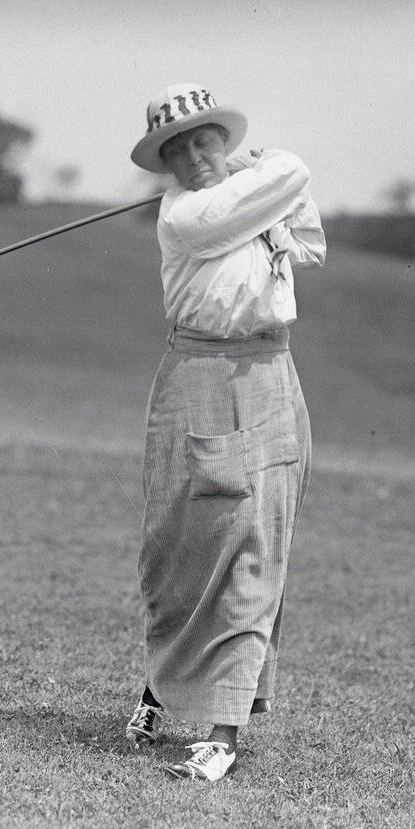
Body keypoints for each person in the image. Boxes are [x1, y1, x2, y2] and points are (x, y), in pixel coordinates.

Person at [124, 83, 326, 782]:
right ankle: (159, 687)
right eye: (176, 150)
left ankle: (222, 732)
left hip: (271, 374)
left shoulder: (245, 192)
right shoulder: (186, 217)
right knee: (178, 551)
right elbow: (291, 176)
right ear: (166, 165)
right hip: (197, 379)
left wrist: (257, 178)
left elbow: (307, 237)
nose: (195, 157)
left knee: (254, 550)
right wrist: (258, 174)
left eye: (205, 141)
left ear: (223, 140)